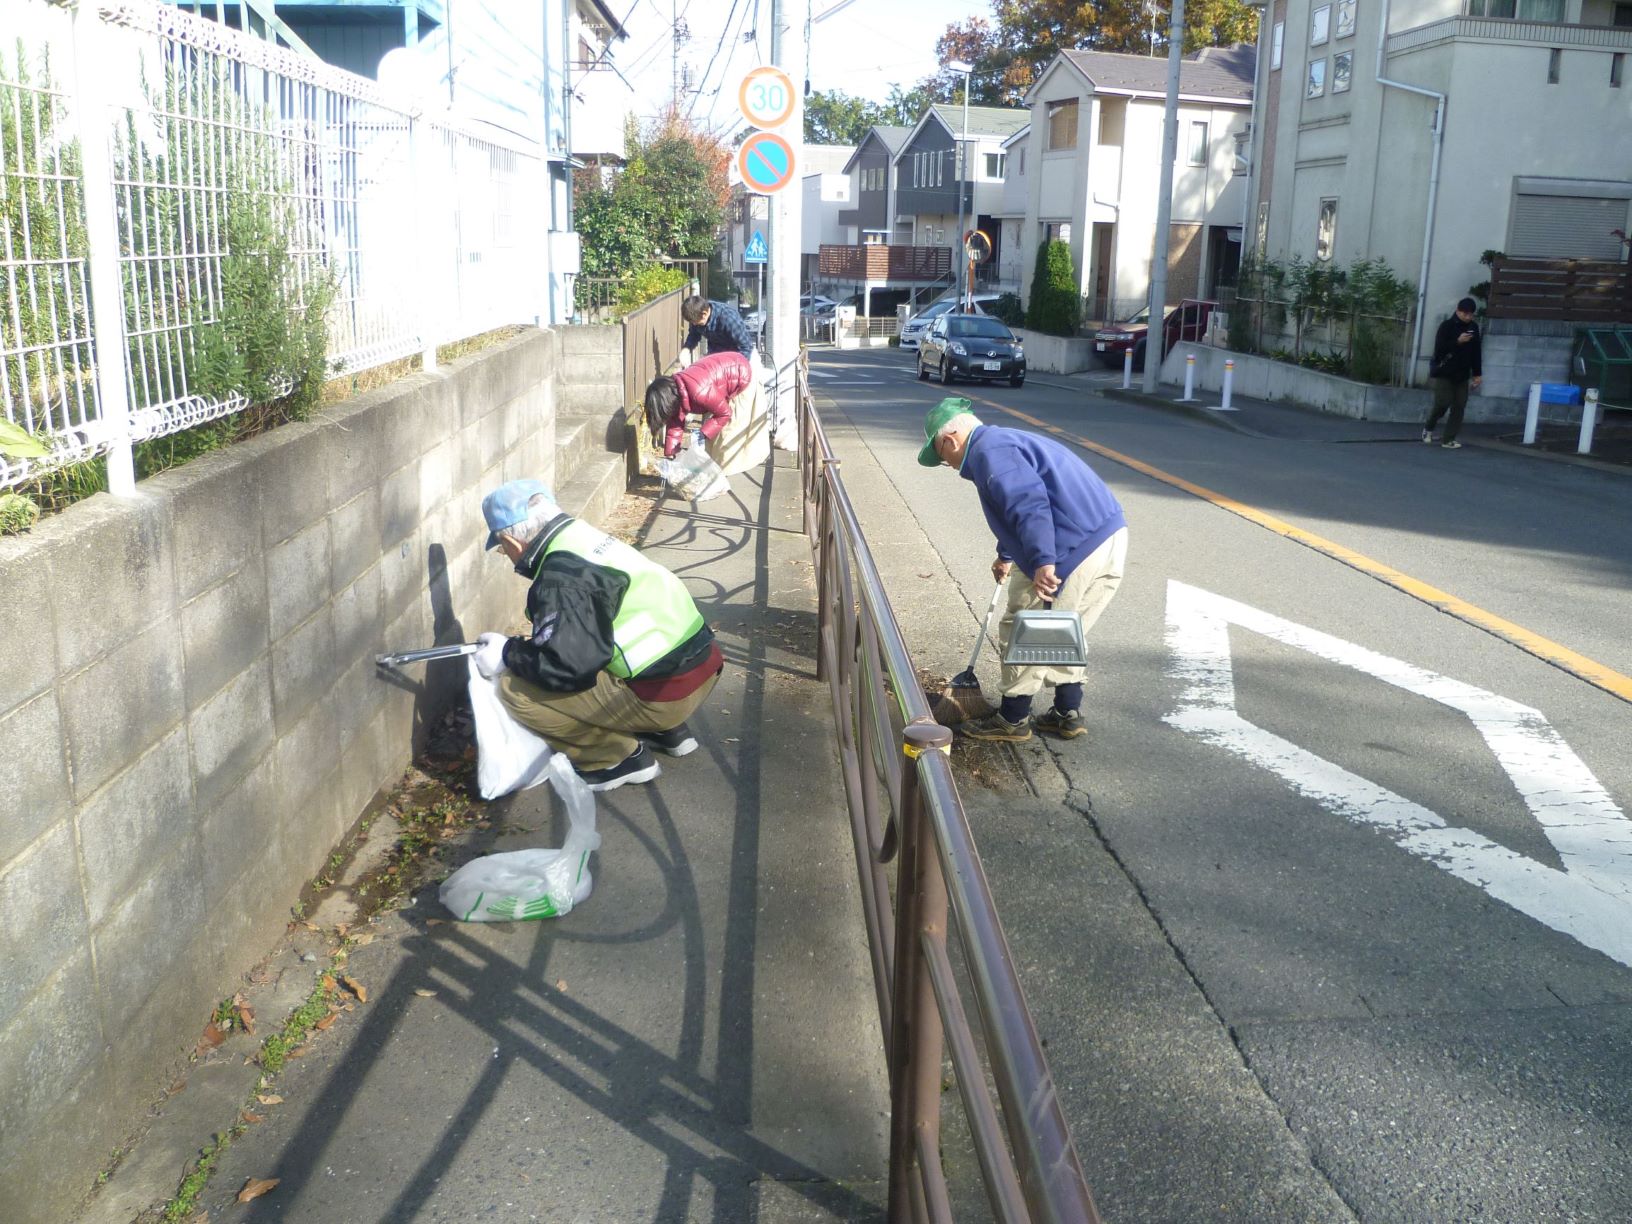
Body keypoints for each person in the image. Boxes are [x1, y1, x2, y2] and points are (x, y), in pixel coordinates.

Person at [473, 479, 724, 791]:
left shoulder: (561, 577)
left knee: (515, 690)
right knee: (602, 646)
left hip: (665, 696)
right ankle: (665, 731)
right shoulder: (584, 538)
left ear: (512, 542)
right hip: (702, 665)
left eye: (502, 549)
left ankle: (617, 758)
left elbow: (566, 670)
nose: (506, 555)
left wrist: (507, 654)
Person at [918, 399, 1128, 743]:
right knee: (1065, 629)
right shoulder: (1004, 441)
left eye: (942, 457)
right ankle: (1066, 713)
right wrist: (1006, 554)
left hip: (1066, 548)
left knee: (1025, 629)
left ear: (950, 440)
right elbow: (1016, 506)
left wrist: (1043, 561)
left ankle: (1013, 719)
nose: (948, 465)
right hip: (1107, 537)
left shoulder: (988, 452)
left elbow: (1029, 503)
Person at [644, 350, 754, 460]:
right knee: (708, 443)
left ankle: (724, 468)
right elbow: (675, 423)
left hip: (740, 373)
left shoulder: (699, 392)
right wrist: (671, 454)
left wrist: (702, 433)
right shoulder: (675, 390)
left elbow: (725, 413)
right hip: (717, 381)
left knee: (723, 441)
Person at [1423, 297, 1483, 450]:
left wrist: (1477, 374)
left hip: (1463, 374)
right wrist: (1457, 341)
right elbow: (1439, 350)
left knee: (1459, 406)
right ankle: (1429, 427)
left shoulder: (1473, 327)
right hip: (1445, 372)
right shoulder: (1447, 326)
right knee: (1442, 403)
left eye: (1471, 314)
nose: (1468, 317)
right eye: (1465, 314)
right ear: (1458, 311)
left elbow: (1476, 352)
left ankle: (1448, 439)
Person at [680, 295, 755, 364]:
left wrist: (737, 366)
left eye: (696, 322)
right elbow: (694, 334)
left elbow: (746, 347)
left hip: (739, 356)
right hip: (716, 354)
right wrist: (686, 349)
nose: (694, 325)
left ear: (704, 314)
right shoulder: (698, 313)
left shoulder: (728, 318)